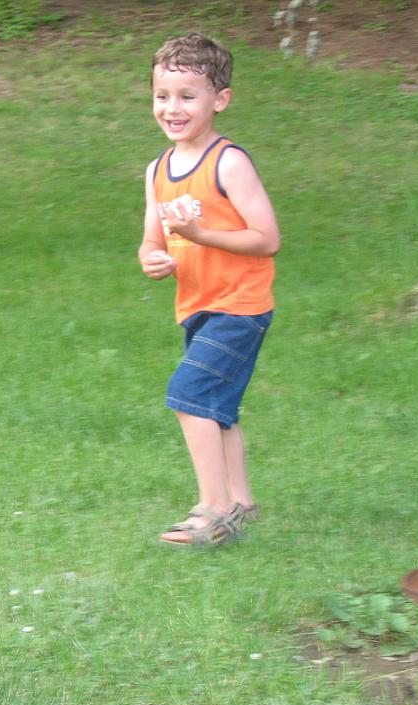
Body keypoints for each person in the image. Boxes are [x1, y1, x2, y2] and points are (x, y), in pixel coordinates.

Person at [138, 33, 281, 547]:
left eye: (187, 96)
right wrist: (154, 260)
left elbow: (267, 239)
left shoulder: (228, 163)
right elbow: (152, 242)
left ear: (220, 100)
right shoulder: (158, 172)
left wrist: (200, 235)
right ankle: (241, 500)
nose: (172, 108)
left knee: (191, 396)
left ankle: (213, 511)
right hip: (196, 306)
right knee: (219, 408)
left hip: (239, 307)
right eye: (162, 95)